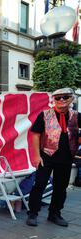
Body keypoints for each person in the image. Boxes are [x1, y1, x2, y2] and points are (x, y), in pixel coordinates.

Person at [26, 88, 81, 227]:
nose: (61, 100)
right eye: (58, 97)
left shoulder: (77, 115)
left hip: (67, 157)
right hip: (46, 156)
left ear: (71, 99)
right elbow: (35, 134)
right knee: (39, 185)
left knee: (61, 187)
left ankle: (54, 214)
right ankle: (33, 213)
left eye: (65, 97)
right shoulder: (44, 115)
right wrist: (37, 156)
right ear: (53, 100)